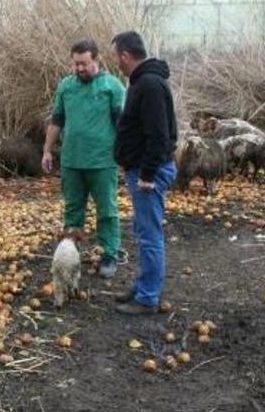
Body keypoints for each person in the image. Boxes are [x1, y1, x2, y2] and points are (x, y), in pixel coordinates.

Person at [42, 39, 126, 279]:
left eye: (84, 63)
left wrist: (125, 155)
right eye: (76, 63)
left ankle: (110, 254)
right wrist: (47, 150)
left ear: (96, 60)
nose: (79, 68)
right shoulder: (66, 86)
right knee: (72, 210)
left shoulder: (112, 87)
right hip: (72, 161)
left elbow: (123, 125)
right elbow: (57, 120)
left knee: (107, 210)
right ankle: (71, 253)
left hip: (102, 162)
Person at [109, 31, 178, 315]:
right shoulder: (144, 82)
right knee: (143, 231)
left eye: (117, 57)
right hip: (142, 169)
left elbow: (158, 135)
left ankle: (148, 298)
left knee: (150, 235)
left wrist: (148, 175)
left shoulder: (149, 85)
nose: (117, 63)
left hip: (149, 172)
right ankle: (142, 286)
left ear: (126, 55)